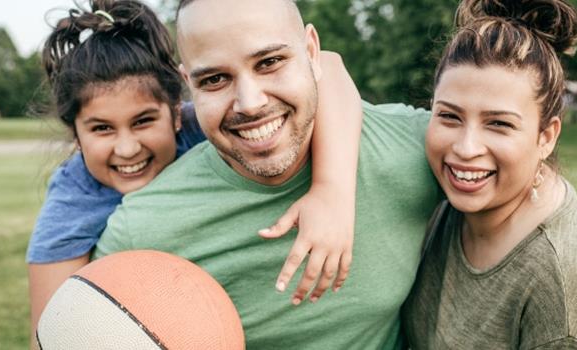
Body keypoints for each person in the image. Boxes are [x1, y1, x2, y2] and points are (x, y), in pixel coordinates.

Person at [93, 0, 441, 348]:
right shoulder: (142, 229)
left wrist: (334, 191)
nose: (250, 102)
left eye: (270, 62)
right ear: (189, 84)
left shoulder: (415, 148)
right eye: (215, 79)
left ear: (311, 51)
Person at [25, 0, 365, 344]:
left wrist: (331, 192)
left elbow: (328, 66)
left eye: (143, 121)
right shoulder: (70, 203)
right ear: (76, 135)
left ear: (176, 113)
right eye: (101, 129)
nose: (127, 148)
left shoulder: (210, 122)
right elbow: (52, 332)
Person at [402, 0, 577, 348]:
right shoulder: (443, 202)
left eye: (499, 123)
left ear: (546, 136)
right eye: (449, 117)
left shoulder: (568, 280)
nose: (466, 148)